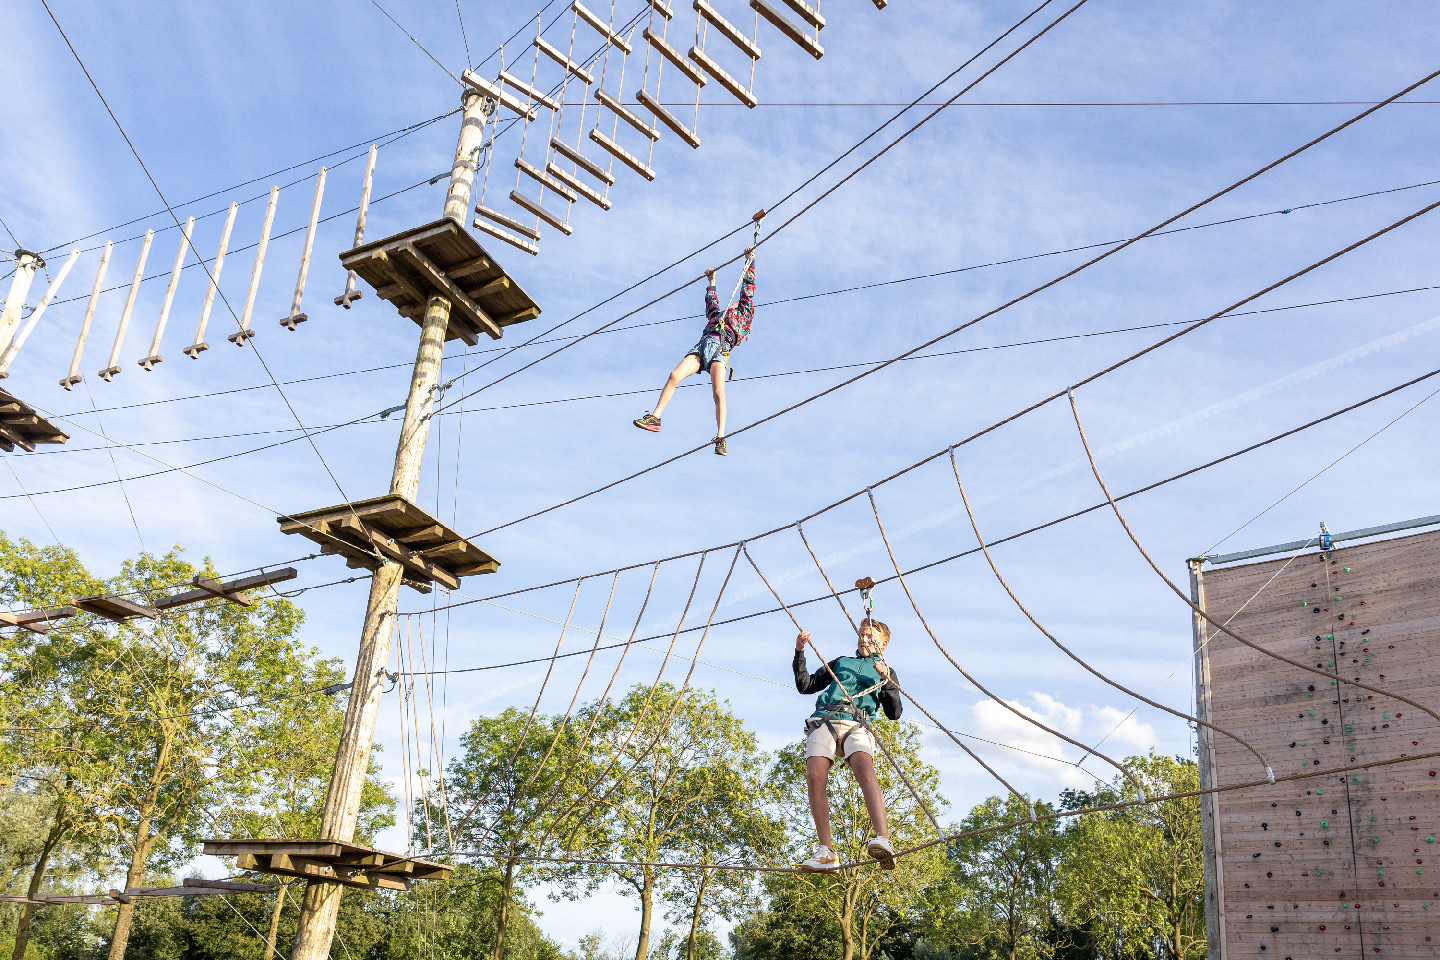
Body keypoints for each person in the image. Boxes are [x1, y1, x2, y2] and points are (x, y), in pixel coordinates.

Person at [791, 619, 901, 872]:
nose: (864, 639)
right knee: (815, 775)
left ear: (883, 644)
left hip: (858, 723)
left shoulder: (886, 670)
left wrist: (887, 682)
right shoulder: (841, 662)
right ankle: (826, 852)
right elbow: (805, 685)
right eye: (861, 635)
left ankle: (884, 839)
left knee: (864, 767)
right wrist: (800, 652)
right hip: (825, 719)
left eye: (870, 637)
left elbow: (894, 713)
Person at [631, 250, 756, 456]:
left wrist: (750, 261)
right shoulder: (719, 315)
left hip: (719, 350)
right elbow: (711, 304)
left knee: (718, 393)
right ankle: (655, 418)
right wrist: (712, 281)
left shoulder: (744, 312)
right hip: (702, 346)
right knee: (674, 375)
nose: (732, 304)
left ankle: (721, 437)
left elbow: (747, 289)